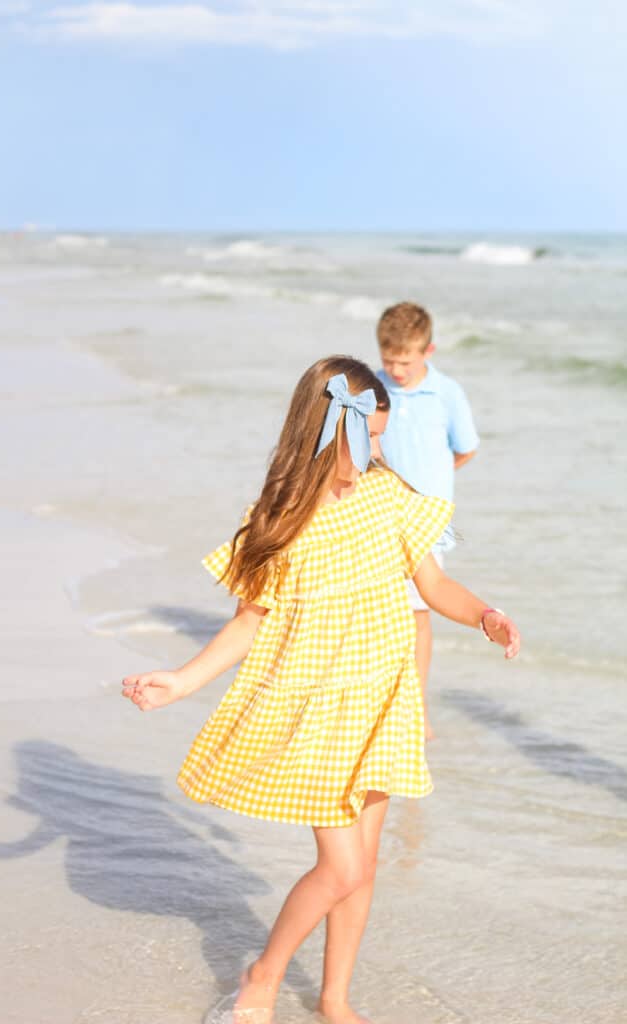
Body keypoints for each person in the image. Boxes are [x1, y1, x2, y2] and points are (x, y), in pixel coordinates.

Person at [122, 355, 519, 1024]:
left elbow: (433, 587)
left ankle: (335, 998)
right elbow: (250, 620)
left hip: (382, 700)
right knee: (339, 868)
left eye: (383, 439)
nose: (376, 452)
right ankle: (262, 978)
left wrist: (482, 613)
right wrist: (182, 681)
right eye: (369, 438)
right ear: (328, 430)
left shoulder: (390, 498)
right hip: (315, 708)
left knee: (361, 866)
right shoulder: (277, 520)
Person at [376, 303, 480, 740]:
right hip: (378, 517)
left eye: (406, 361)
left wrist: (432, 488)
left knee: (420, 611)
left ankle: (415, 708)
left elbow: (466, 447)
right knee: (380, 611)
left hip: (425, 522)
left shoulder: (447, 393)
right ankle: (376, 700)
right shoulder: (373, 388)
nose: (397, 370)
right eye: (389, 360)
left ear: (428, 351)